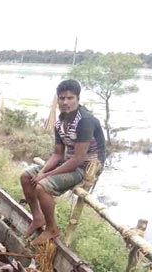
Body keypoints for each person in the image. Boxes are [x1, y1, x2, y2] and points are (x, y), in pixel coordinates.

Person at [20, 79, 105, 246]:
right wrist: (42, 171)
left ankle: (52, 228)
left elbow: (79, 158)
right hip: (70, 162)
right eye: (61, 98)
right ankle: (38, 218)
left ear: (78, 99)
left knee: (41, 186)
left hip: (87, 168)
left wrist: (46, 175)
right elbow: (58, 154)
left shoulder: (85, 121)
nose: (65, 102)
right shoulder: (60, 121)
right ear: (57, 99)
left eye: (70, 98)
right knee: (26, 176)